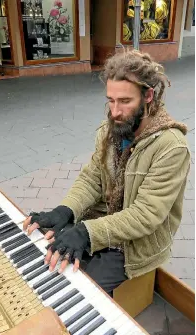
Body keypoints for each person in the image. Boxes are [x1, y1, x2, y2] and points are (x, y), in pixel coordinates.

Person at [23, 50, 190, 296]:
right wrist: (66, 210)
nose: (114, 112)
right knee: (46, 255)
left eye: (125, 101)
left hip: (137, 245)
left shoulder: (171, 147)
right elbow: (92, 177)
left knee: (79, 291)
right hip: (104, 221)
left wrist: (86, 232)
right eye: (110, 100)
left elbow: (146, 215)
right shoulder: (110, 130)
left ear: (148, 96)